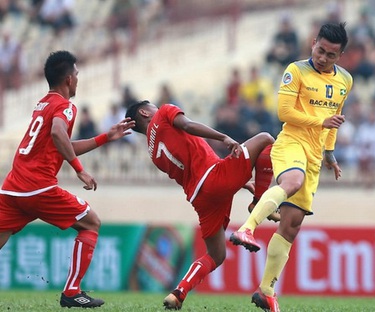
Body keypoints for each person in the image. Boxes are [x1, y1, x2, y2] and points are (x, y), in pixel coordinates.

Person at [229, 22, 352, 312]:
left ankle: (266, 290)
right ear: (313, 43)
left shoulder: (345, 80)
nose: (323, 58)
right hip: (291, 142)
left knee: (292, 224)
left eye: (331, 55)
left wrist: (330, 153)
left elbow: (334, 118)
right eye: (320, 50)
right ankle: (246, 228)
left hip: (314, 155)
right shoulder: (295, 71)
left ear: (340, 56)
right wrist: (319, 123)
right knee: (292, 181)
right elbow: (284, 112)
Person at [0, 50, 135, 308]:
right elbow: (58, 133)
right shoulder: (65, 107)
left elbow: (61, 142)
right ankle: (72, 291)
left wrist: (106, 137)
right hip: (38, 187)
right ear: (69, 80)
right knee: (91, 223)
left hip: (14, 187)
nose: (77, 79)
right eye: (76, 74)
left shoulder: (43, 104)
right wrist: (79, 169)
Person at [124, 100, 276, 310]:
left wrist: (240, 182)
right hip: (215, 176)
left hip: (201, 198)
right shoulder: (165, 113)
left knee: (216, 255)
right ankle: (259, 203)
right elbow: (187, 125)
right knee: (265, 139)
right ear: (144, 112)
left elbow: (195, 167)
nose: (157, 108)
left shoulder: (154, 154)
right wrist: (223, 136)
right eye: (153, 106)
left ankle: (179, 292)